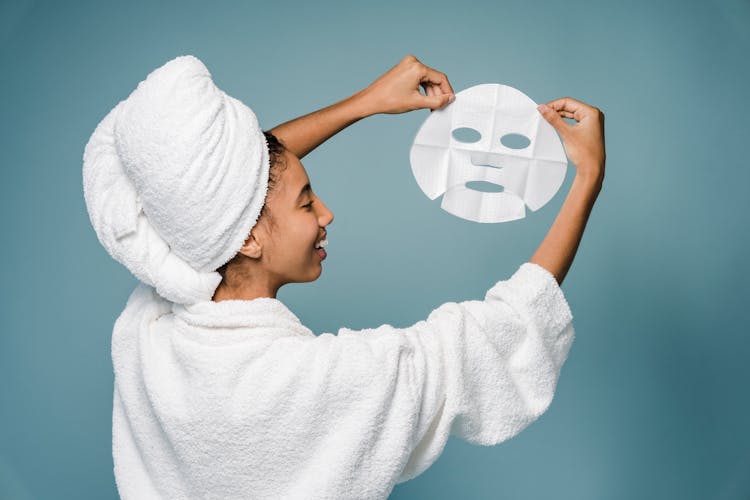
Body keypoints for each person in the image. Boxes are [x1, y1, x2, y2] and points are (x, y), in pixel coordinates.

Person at [82, 54, 604, 499]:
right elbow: (495, 334)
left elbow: (213, 196)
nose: (326, 213)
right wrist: (586, 179)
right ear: (247, 238)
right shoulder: (309, 382)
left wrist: (366, 102)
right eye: (307, 201)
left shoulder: (155, 321)